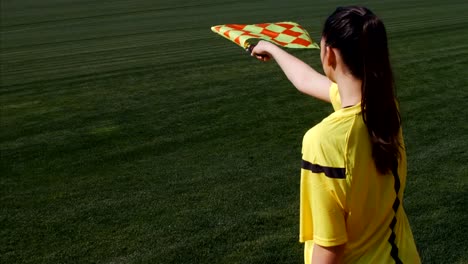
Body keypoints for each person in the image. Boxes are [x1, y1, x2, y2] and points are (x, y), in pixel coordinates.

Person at [251, 6, 421, 264]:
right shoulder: (384, 107)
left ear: (329, 54)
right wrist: (272, 48)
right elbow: (307, 81)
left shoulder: (323, 142)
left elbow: (330, 247)